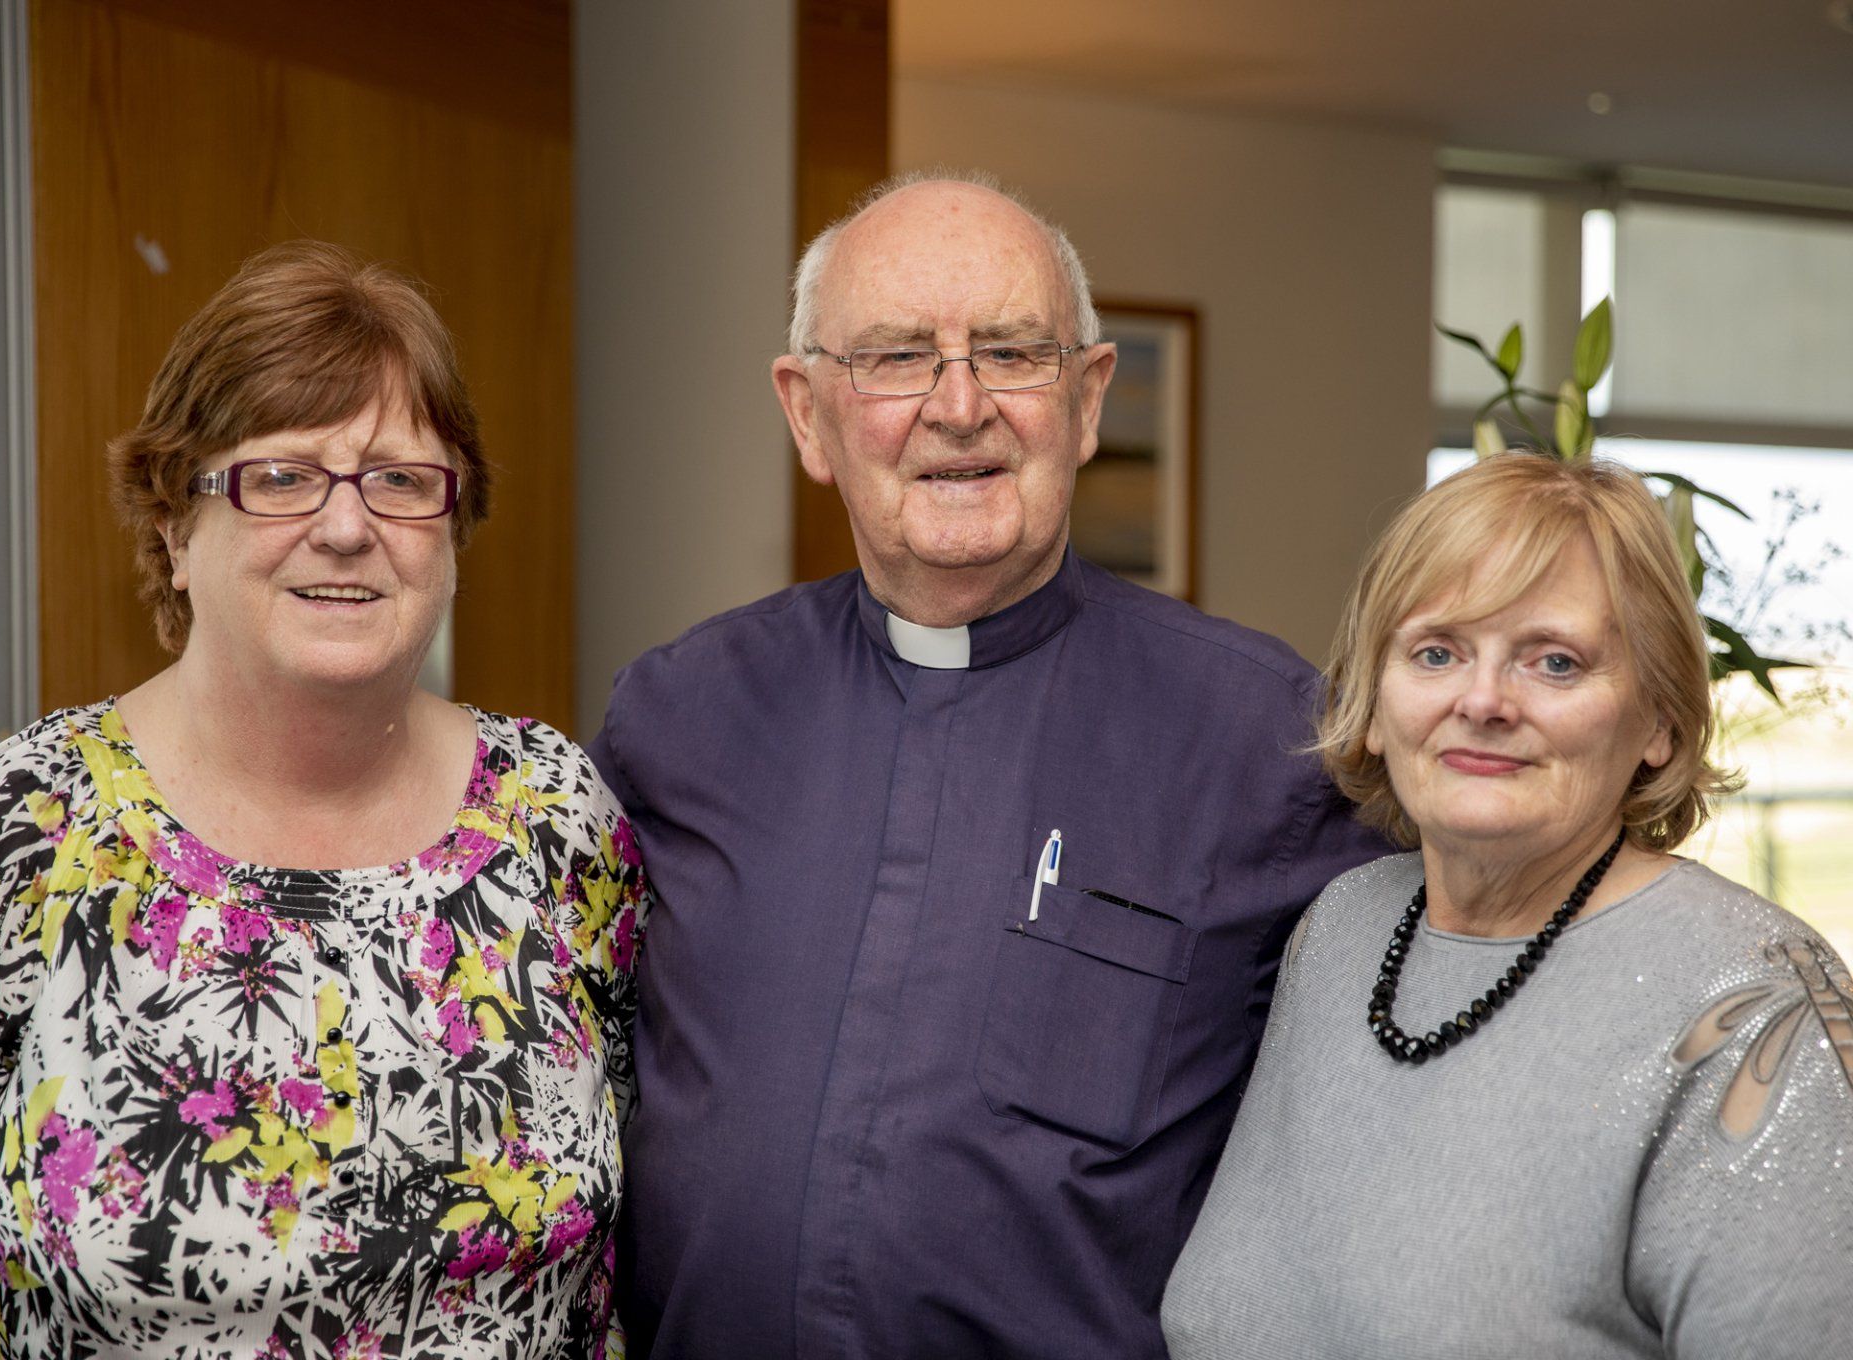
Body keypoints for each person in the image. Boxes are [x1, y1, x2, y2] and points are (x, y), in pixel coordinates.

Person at [589, 170, 1387, 1360]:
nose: (959, 406)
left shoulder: (1269, 743)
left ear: (1087, 397)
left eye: (1012, 353)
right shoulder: (680, 715)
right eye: (897, 357)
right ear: (807, 413)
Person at [0, 242, 648, 1360]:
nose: (348, 526)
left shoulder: (559, 822)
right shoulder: (16, 829)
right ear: (174, 527)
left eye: (401, 480)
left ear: (453, 536)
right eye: (280, 476)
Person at [1162, 453, 1853, 1358]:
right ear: (1374, 703)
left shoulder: (1763, 1012)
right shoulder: (1340, 929)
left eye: (1555, 662)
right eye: (1437, 651)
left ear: (1660, 723)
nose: (1483, 701)